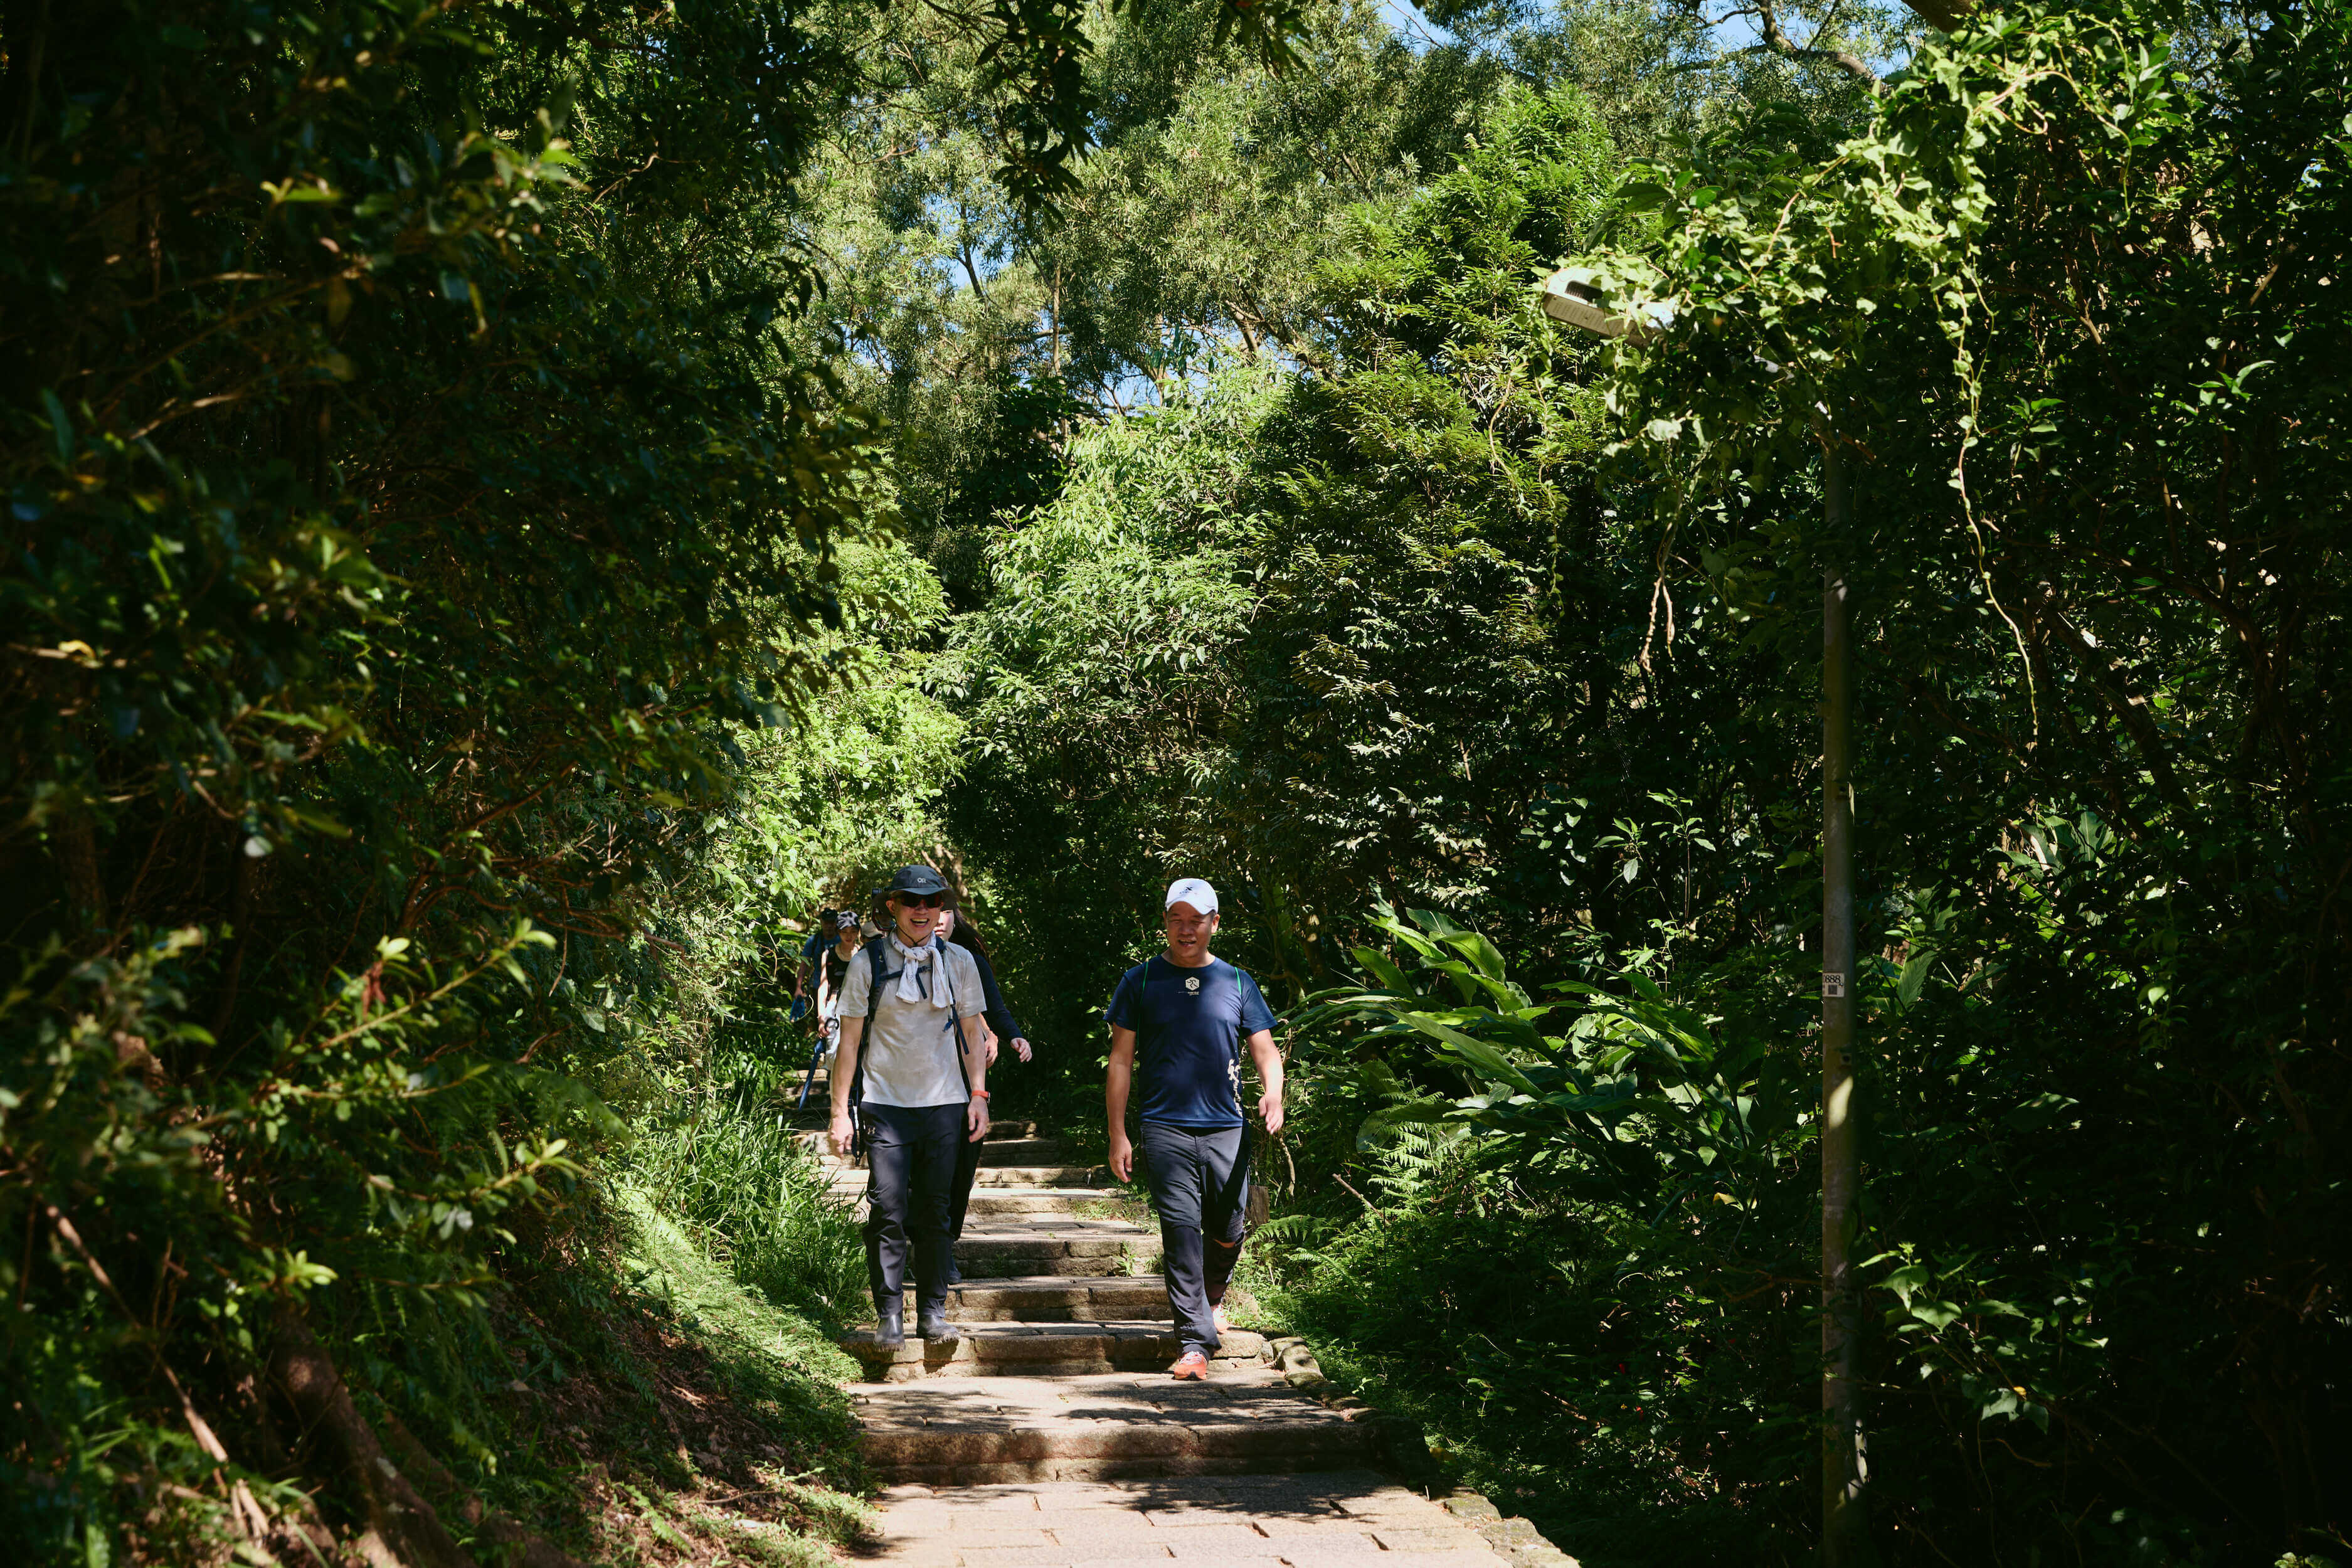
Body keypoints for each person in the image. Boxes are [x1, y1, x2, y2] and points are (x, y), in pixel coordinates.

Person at [1104, 877, 1283, 1380]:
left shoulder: (1237, 982)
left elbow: (1265, 1051)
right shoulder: (1139, 981)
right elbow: (1120, 1062)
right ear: (1166, 922)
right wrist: (1118, 1132)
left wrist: (1274, 1092)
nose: (1187, 929)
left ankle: (1209, 1300)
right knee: (1181, 1231)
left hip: (1226, 1125)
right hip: (1165, 1127)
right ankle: (1195, 1343)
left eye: (1197, 919)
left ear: (1214, 924)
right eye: (1177, 919)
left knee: (1228, 1229)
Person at [829, 865, 991, 1347]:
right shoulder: (868, 963)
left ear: (942, 907)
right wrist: (840, 1112)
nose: (922, 910)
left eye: (932, 901)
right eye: (911, 901)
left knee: (936, 1211)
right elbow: (850, 1043)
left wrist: (978, 1095)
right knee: (888, 1210)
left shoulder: (959, 961)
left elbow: (972, 1034)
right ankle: (890, 1315)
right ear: (893, 907)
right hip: (885, 1103)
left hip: (945, 1103)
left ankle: (934, 1313)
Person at [937, 906, 1032, 1283]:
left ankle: (945, 1242)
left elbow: (995, 1006)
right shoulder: (897, 958)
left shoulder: (970, 960)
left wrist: (1012, 1035)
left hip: (967, 1076)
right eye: (927, 906)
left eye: (945, 908)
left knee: (962, 1165)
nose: (938, 916)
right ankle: (930, 1246)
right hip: (918, 1080)